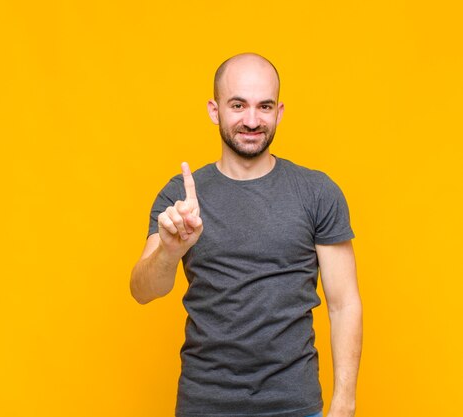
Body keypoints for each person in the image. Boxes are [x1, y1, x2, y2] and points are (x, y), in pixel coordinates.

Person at [129, 53, 362, 417]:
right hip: (204, 405)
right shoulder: (181, 196)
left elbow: (344, 304)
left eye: (264, 106)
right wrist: (169, 251)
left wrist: (343, 405)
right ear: (214, 109)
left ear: (279, 112)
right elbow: (143, 291)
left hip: (296, 407)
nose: (252, 120)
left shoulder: (317, 192)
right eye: (238, 105)